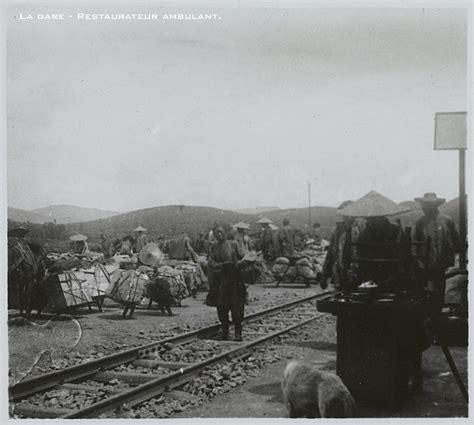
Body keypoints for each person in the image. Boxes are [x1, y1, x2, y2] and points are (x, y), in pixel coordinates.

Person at [414, 193, 459, 320]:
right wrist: (418, 261)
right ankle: (429, 318)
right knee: (427, 292)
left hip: (441, 264)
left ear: (435, 205)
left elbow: (455, 240)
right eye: (425, 204)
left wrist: (451, 257)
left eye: (428, 204)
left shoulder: (447, 220)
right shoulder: (420, 222)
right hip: (425, 264)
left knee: (439, 291)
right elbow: (415, 243)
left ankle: (437, 318)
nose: (425, 207)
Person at [208, 227, 246, 341]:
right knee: (222, 309)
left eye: (221, 232)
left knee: (237, 309)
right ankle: (225, 332)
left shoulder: (234, 244)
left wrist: (239, 264)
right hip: (221, 282)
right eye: (217, 233)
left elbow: (242, 257)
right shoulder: (214, 247)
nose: (219, 235)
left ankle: (238, 334)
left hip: (234, 281)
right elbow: (211, 262)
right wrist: (222, 265)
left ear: (225, 233)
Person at [321, 201, 358, 289]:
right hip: (340, 273)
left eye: (348, 214)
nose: (346, 217)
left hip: (357, 274)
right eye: (344, 215)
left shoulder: (360, 230)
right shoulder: (339, 231)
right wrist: (325, 276)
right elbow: (330, 254)